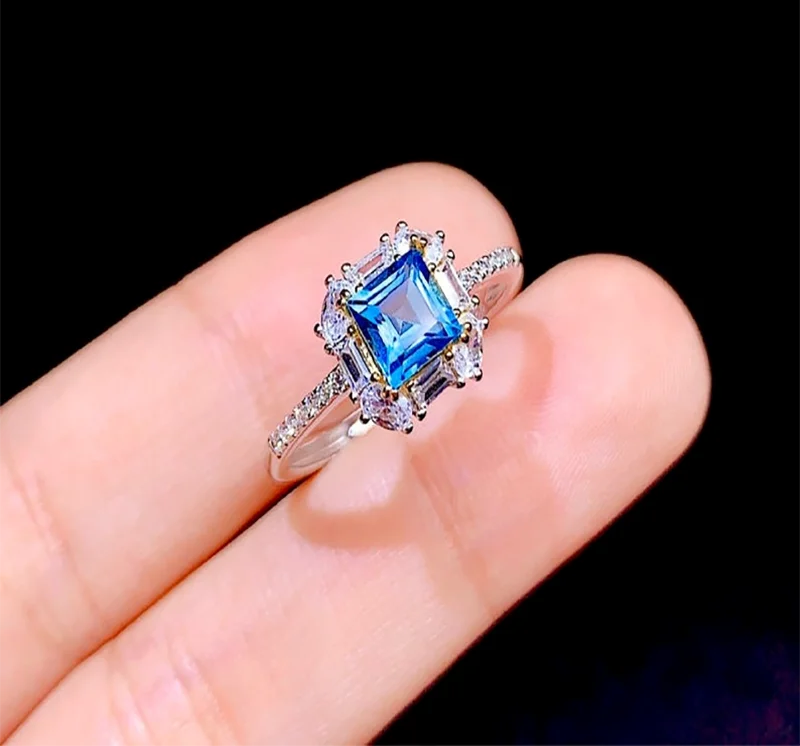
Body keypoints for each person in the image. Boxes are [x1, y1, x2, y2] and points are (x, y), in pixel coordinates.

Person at [0, 164, 710, 744]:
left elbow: (484, 292)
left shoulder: (433, 317)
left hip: (412, 351)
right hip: (377, 372)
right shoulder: (379, 326)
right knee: (292, 451)